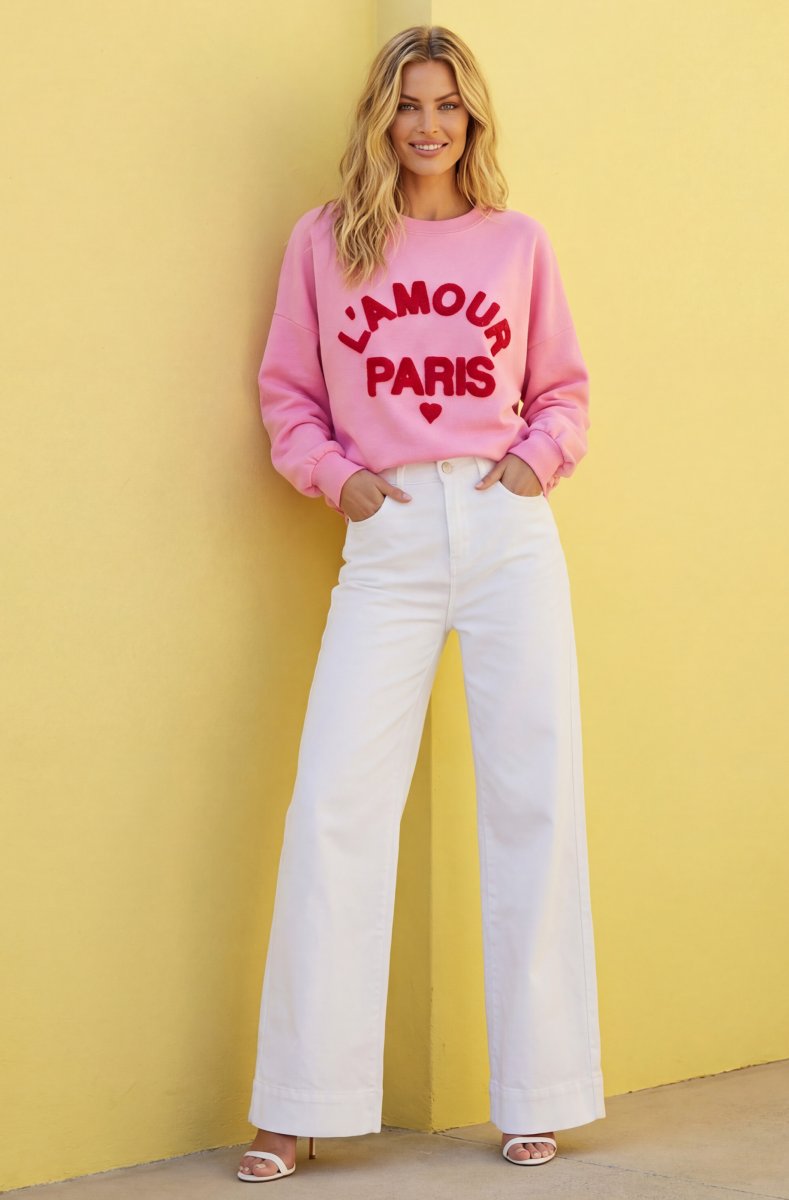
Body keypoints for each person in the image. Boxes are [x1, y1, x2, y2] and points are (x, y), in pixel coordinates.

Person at [237, 24, 605, 1183]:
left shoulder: (517, 243)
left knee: (534, 801)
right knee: (335, 808)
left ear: (471, 117)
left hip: (505, 533)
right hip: (388, 538)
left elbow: (564, 392)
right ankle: (297, 1105)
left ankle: (540, 1092)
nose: (428, 124)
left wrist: (533, 466)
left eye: (447, 104)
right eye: (408, 104)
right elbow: (289, 395)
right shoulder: (326, 241)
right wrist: (338, 481)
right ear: (381, 118)